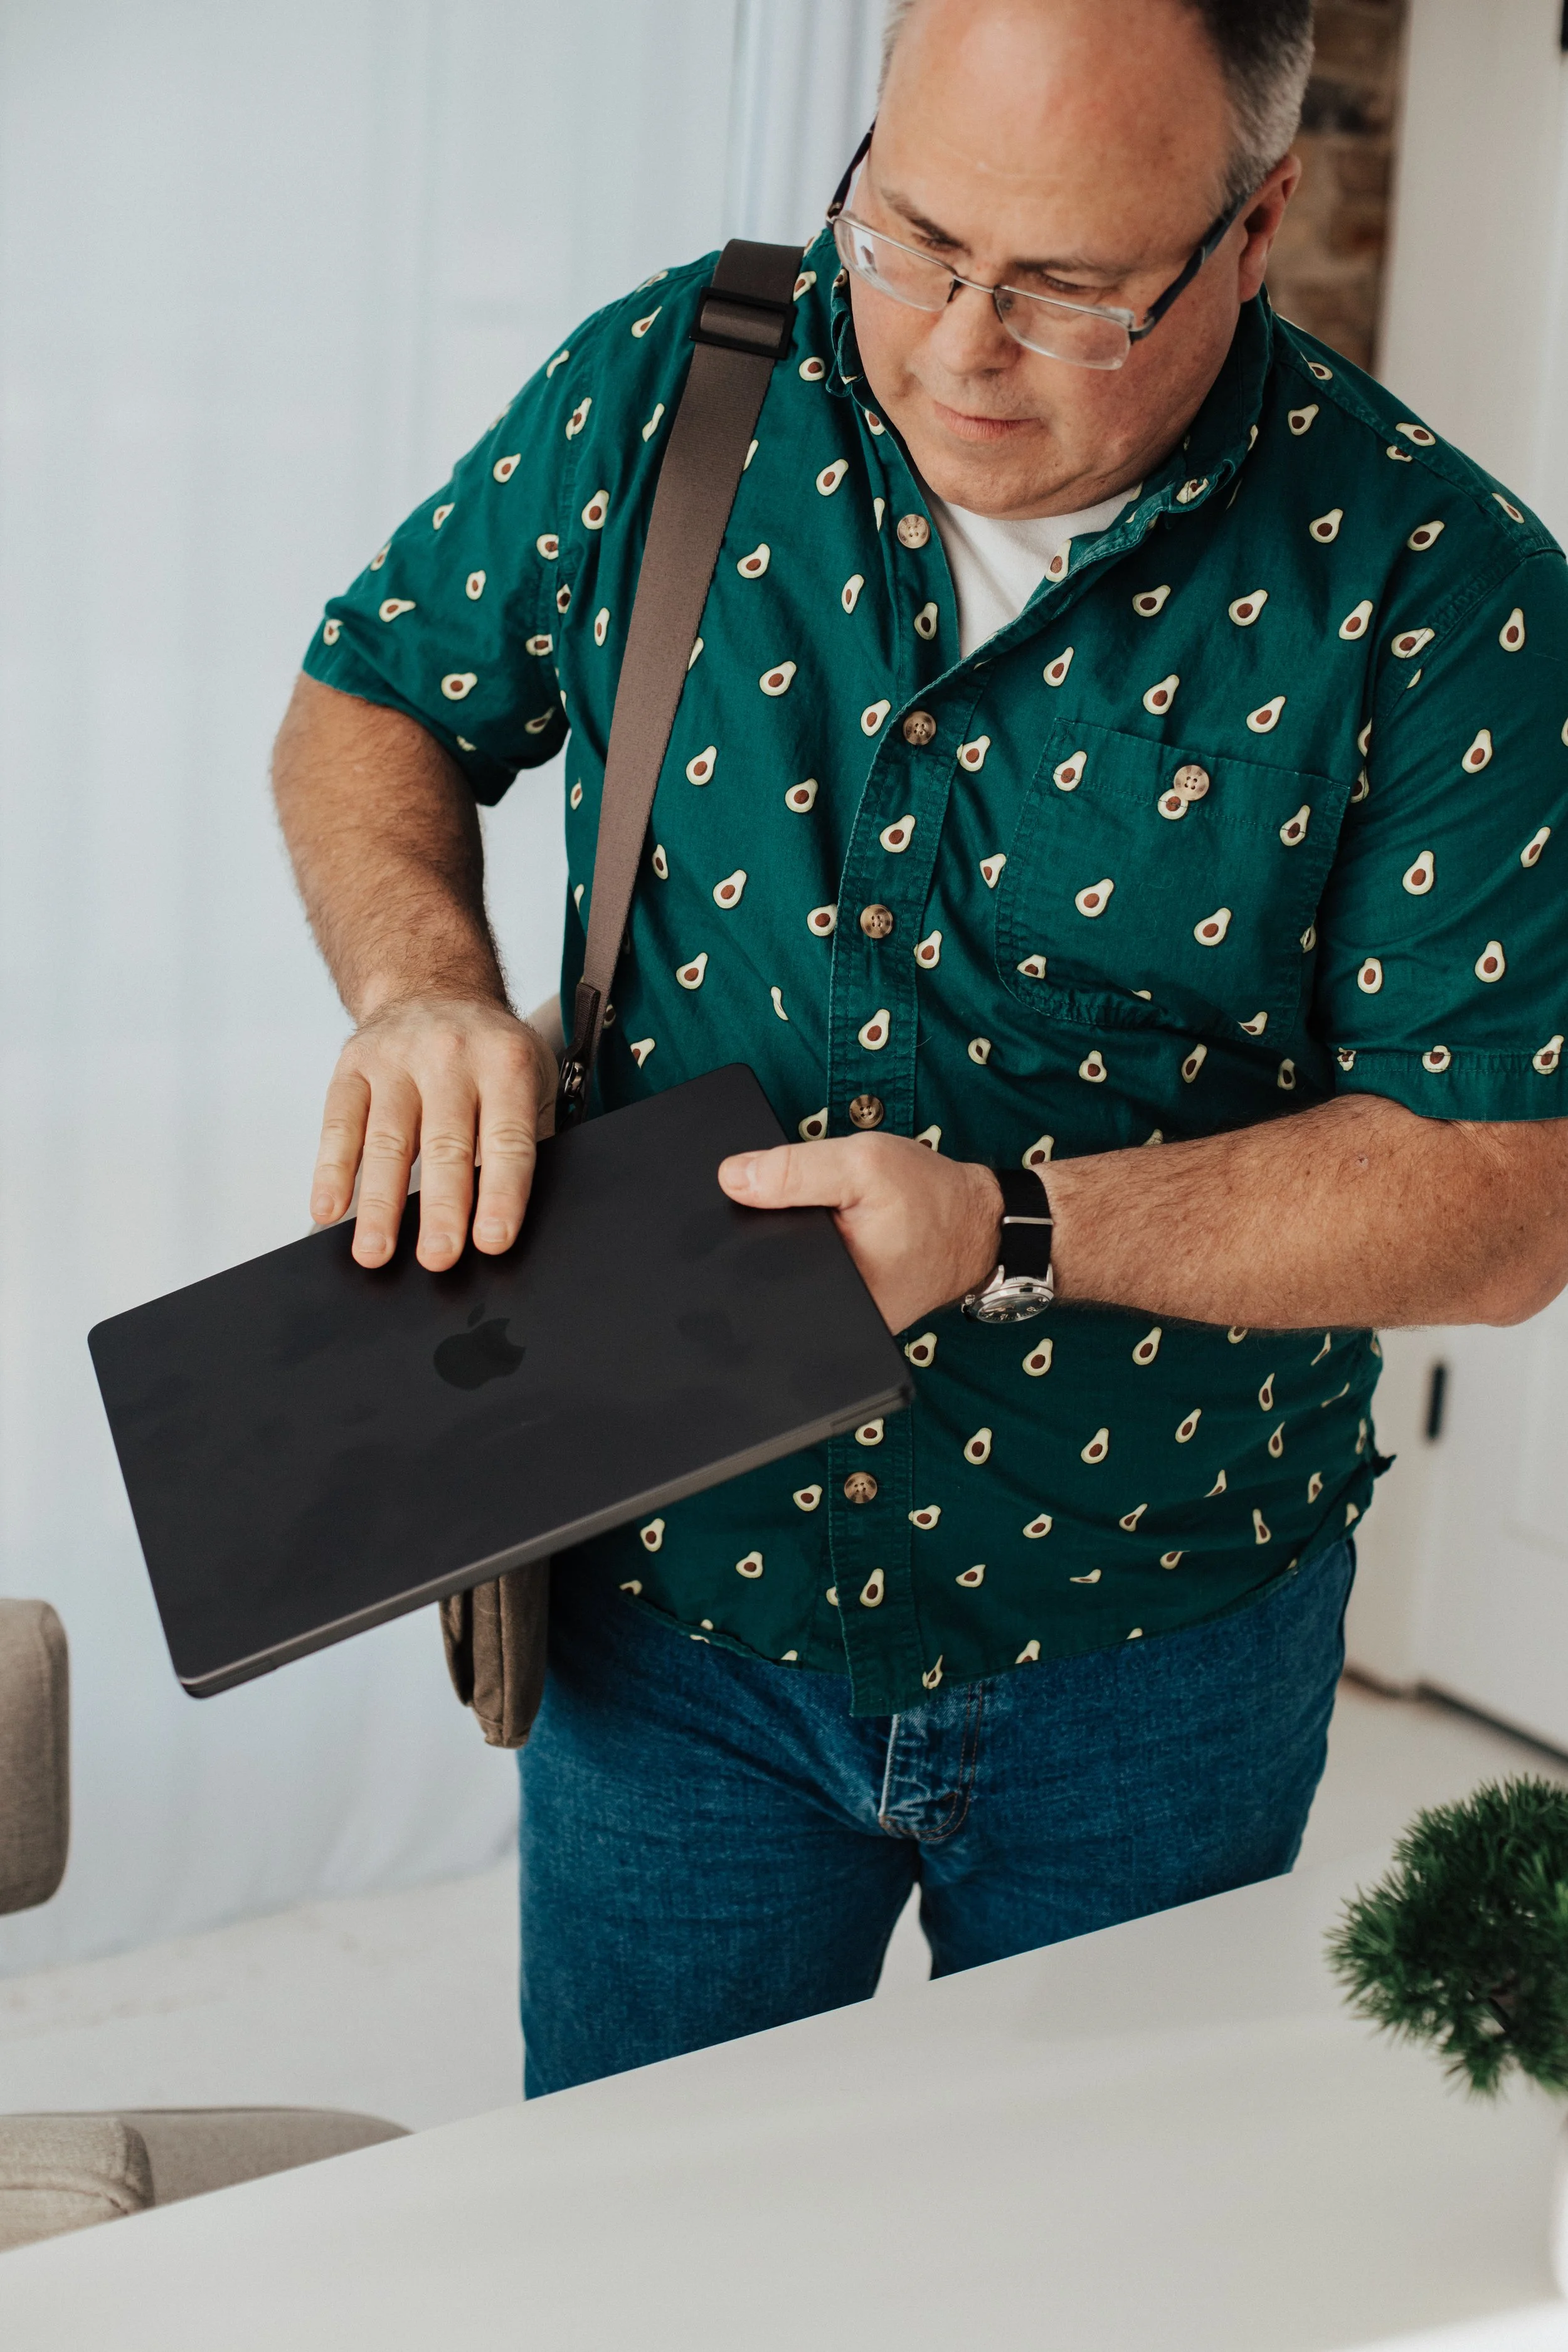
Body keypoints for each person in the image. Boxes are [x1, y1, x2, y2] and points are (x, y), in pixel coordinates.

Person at [272, 0, 1568, 2096]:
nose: (956, 347)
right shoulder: (680, 389)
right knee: (635, 2247)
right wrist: (419, 980)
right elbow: (375, 694)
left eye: (1065, 290)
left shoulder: (1443, 593)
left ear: (1255, 228)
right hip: (668, 1596)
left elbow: (1503, 1191)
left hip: (1160, 1644)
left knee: (1080, 2274)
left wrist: (1007, 1228)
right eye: (912, 234)